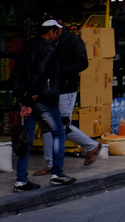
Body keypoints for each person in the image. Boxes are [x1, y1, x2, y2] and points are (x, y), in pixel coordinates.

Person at [13, 19, 76, 192]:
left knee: (26, 139)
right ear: (51, 32)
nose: (58, 36)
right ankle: (57, 174)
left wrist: (24, 98)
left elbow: (17, 74)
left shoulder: (26, 47)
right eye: (57, 32)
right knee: (59, 133)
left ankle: (21, 181)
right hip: (42, 100)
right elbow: (40, 74)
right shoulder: (48, 49)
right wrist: (29, 100)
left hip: (29, 99)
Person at [34, 22, 100, 176]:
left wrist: (61, 72)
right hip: (50, 88)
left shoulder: (73, 40)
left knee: (61, 125)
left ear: (57, 29)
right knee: (47, 124)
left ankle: (91, 145)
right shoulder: (50, 41)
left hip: (66, 88)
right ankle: (50, 164)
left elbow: (82, 62)